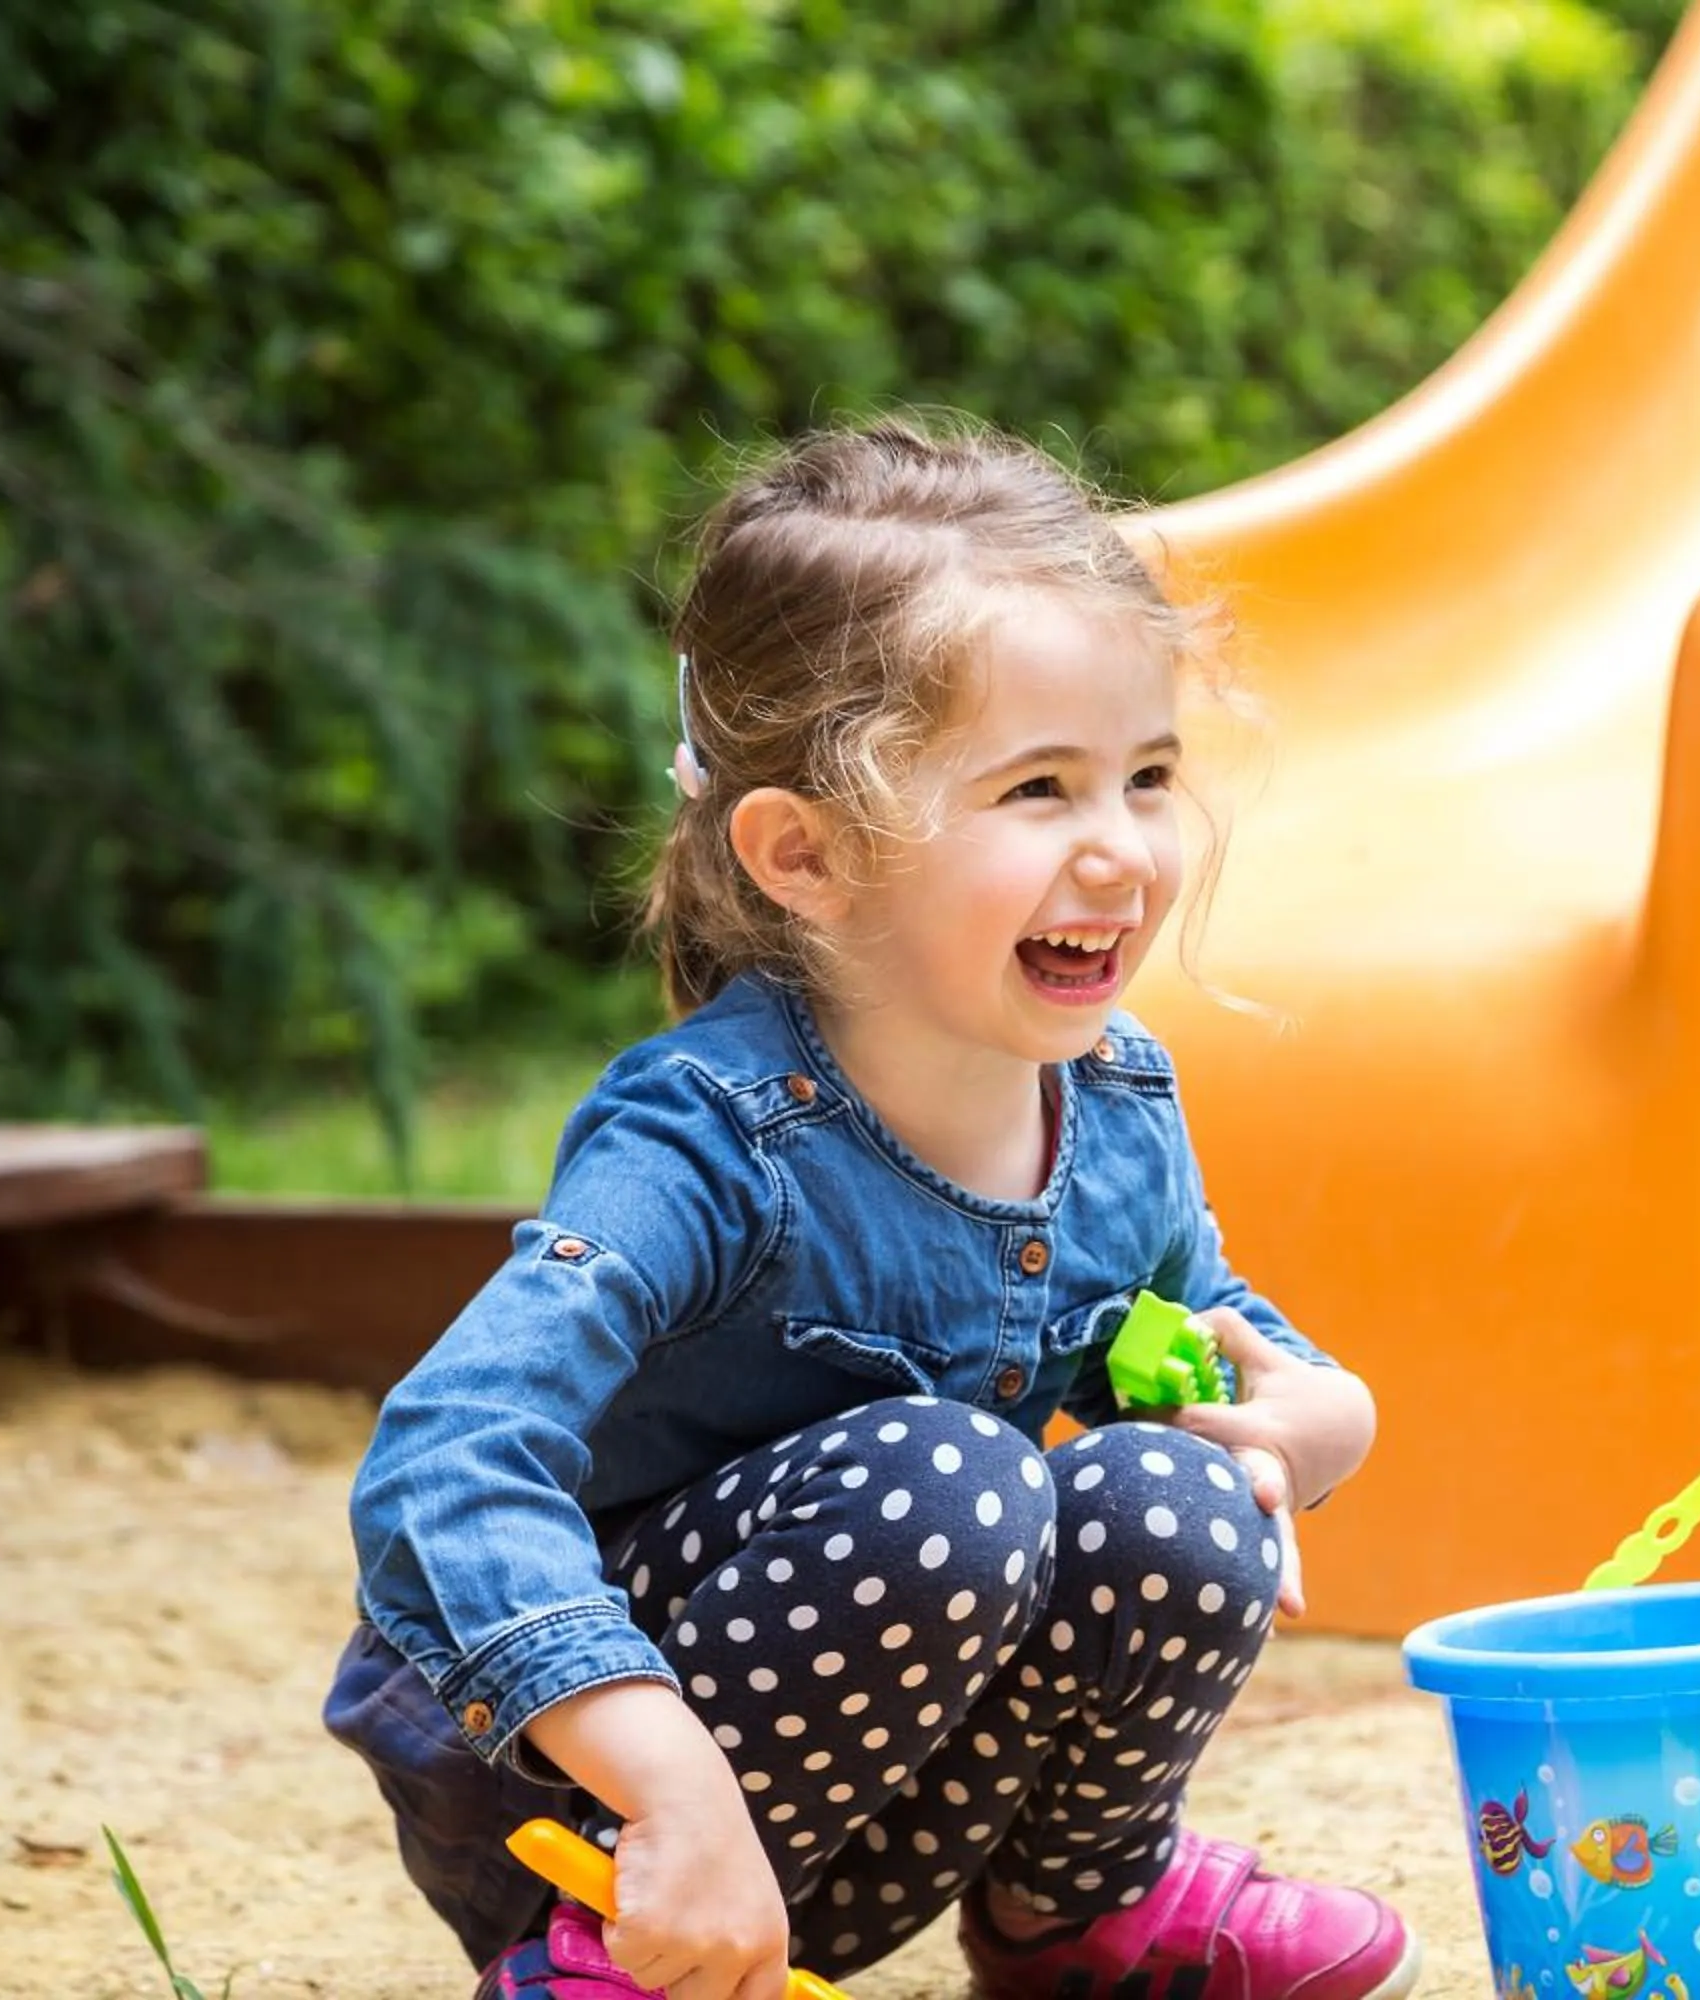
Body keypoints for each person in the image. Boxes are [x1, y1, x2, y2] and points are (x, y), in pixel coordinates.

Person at [323, 415, 1414, 2000]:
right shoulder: (704, 1139)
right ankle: (601, 1974)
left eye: (1149, 776)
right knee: (951, 1477)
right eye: (1039, 789)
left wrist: (1318, 1412)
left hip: (862, 1831)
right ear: (807, 855)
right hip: (606, 1823)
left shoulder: (1113, 1102)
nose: (1121, 846)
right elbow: (445, 1461)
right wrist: (668, 1793)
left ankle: (1083, 1924)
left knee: (1174, 1508)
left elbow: (1204, 1331)